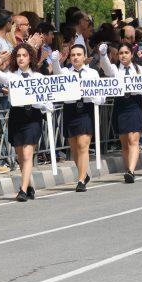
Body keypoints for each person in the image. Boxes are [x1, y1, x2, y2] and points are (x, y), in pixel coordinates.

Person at [0, 43, 53, 201]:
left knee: (27, 153)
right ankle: (29, 185)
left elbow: (48, 99)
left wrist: (45, 105)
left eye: (24, 55)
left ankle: (22, 190)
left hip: (32, 116)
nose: (21, 58)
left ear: (30, 58)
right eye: (18, 56)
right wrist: (0, 60)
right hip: (17, 116)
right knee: (20, 155)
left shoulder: (38, 77)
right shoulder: (12, 76)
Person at [51, 44, 104, 192]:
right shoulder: (66, 72)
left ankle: (80, 181)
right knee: (74, 149)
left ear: (84, 57)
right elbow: (57, 73)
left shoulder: (92, 73)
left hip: (86, 110)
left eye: (79, 54)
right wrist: (55, 61)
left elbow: (101, 92)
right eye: (73, 55)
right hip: (70, 110)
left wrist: (99, 99)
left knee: (83, 145)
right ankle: (84, 174)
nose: (75, 57)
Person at [98, 42, 142, 183]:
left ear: (131, 54)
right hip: (121, 105)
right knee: (125, 141)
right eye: (121, 53)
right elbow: (106, 68)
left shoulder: (140, 70)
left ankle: (131, 170)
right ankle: (128, 169)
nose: (123, 55)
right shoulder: (115, 69)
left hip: (135, 104)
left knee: (133, 139)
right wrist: (103, 55)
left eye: (126, 52)